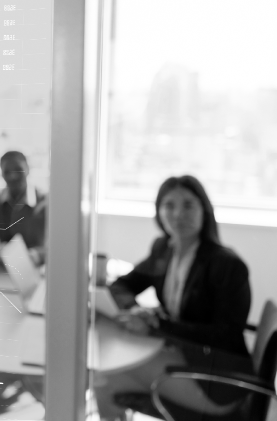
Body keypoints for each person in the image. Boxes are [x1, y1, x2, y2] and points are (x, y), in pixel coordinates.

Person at [95, 175, 253, 420]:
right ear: (159, 212)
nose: (179, 214)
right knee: (106, 380)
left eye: (188, 205)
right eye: (169, 205)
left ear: (205, 210)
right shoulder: (164, 249)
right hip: (185, 355)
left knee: (104, 370)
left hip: (218, 379)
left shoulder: (227, 265)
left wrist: (159, 326)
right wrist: (136, 310)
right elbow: (123, 285)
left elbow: (225, 334)